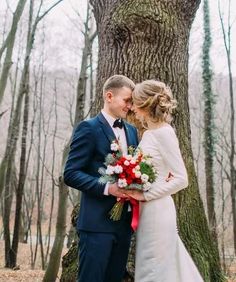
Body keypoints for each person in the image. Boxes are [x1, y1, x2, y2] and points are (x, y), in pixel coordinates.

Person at [63, 75, 139, 282]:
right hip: (96, 225)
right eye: (126, 100)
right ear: (109, 96)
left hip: (124, 226)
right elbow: (70, 174)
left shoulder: (132, 131)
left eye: (132, 102)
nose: (130, 106)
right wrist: (108, 188)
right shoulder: (88, 128)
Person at [127, 80, 203, 282]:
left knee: (153, 268)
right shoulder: (150, 134)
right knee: (154, 266)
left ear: (144, 104)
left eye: (134, 103)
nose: (132, 108)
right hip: (147, 212)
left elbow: (181, 179)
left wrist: (145, 195)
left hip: (157, 212)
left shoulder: (164, 133)